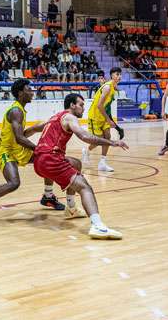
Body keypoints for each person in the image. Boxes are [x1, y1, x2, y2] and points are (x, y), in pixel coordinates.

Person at [0, 79, 70, 226]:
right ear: (21, 93)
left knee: (46, 160)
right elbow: (20, 138)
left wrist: (36, 128)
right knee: (13, 183)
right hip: (6, 151)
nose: (32, 92)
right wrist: (39, 149)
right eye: (28, 89)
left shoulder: (20, 109)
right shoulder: (16, 111)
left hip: (17, 149)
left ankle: (48, 196)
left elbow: (20, 135)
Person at [33, 93, 129, 239]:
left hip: (38, 161)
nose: (83, 108)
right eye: (81, 105)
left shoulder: (54, 117)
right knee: (85, 187)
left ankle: (71, 208)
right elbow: (84, 136)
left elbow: (33, 128)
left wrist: (17, 139)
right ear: (72, 105)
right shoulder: (70, 117)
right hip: (51, 160)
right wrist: (112, 142)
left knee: (76, 164)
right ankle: (97, 226)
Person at [81, 67, 124, 172]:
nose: (119, 76)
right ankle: (86, 150)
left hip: (103, 116)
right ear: (111, 76)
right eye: (117, 74)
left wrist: (110, 121)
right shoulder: (107, 87)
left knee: (107, 137)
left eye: (120, 74)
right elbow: (100, 105)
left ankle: (102, 163)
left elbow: (106, 106)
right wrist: (109, 120)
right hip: (95, 116)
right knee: (98, 141)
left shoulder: (113, 87)